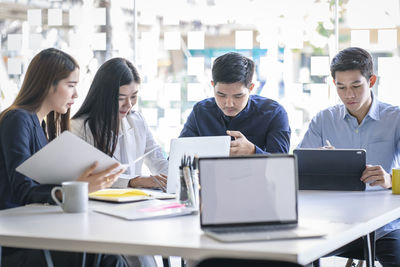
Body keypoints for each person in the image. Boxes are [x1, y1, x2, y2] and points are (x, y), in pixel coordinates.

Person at [0, 48, 127, 267]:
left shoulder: (38, 125)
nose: (76, 95)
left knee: (108, 254)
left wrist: (81, 184)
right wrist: (77, 188)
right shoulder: (18, 119)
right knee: (107, 257)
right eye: (71, 85)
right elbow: (23, 190)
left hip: (32, 227)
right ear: (48, 84)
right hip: (16, 236)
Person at [298, 47, 400, 266]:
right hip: (332, 224)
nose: (349, 95)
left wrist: (390, 180)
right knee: (296, 257)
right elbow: (295, 170)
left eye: (356, 86)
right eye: (341, 87)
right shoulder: (323, 120)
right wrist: (316, 165)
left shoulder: (395, 119)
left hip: (384, 227)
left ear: (371, 81)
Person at [71, 57, 168, 191]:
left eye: (133, 96)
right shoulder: (78, 127)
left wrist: (173, 178)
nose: (128, 104)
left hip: (133, 204)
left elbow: (157, 158)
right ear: (103, 96)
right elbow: (88, 176)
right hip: (97, 204)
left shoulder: (137, 120)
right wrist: (134, 181)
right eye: (120, 98)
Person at [179, 52, 291, 154]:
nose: (229, 104)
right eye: (221, 95)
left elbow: (282, 167)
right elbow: (179, 154)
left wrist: (253, 151)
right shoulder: (201, 112)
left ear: (251, 88)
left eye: (238, 96)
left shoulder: (274, 113)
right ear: (212, 85)